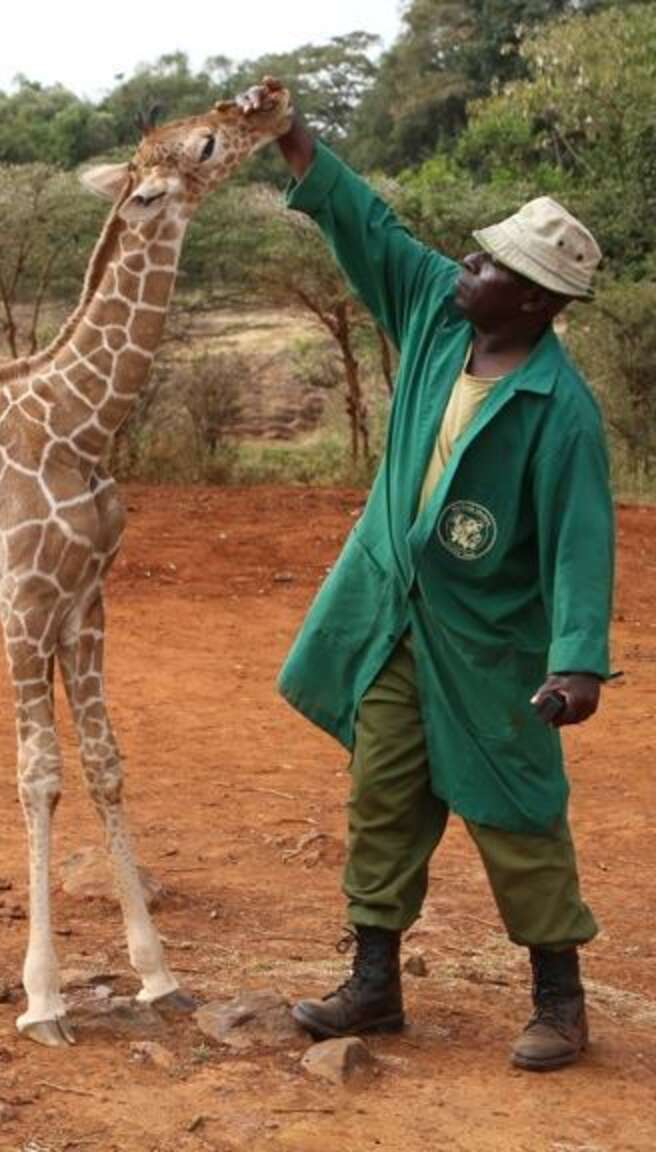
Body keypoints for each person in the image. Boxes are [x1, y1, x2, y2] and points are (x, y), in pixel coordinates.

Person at [237, 84, 614, 1071]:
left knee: (517, 808)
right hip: (397, 619)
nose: (467, 265)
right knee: (383, 790)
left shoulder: (557, 409)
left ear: (532, 300)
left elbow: (581, 542)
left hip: (491, 643)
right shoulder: (438, 316)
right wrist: (291, 137)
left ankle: (561, 1002)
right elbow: (367, 224)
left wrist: (576, 664)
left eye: (489, 263)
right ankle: (374, 983)